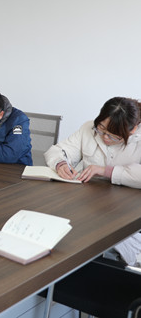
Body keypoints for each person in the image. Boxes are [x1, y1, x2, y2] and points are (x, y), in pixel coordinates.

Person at [45, 97, 141, 265]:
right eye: (101, 129)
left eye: (114, 136)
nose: (105, 138)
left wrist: (105, 171)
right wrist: (61, 163)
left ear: (132, 130)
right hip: (87, 205)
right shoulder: (88, 128)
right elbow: (58, 150)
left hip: (126, 210)